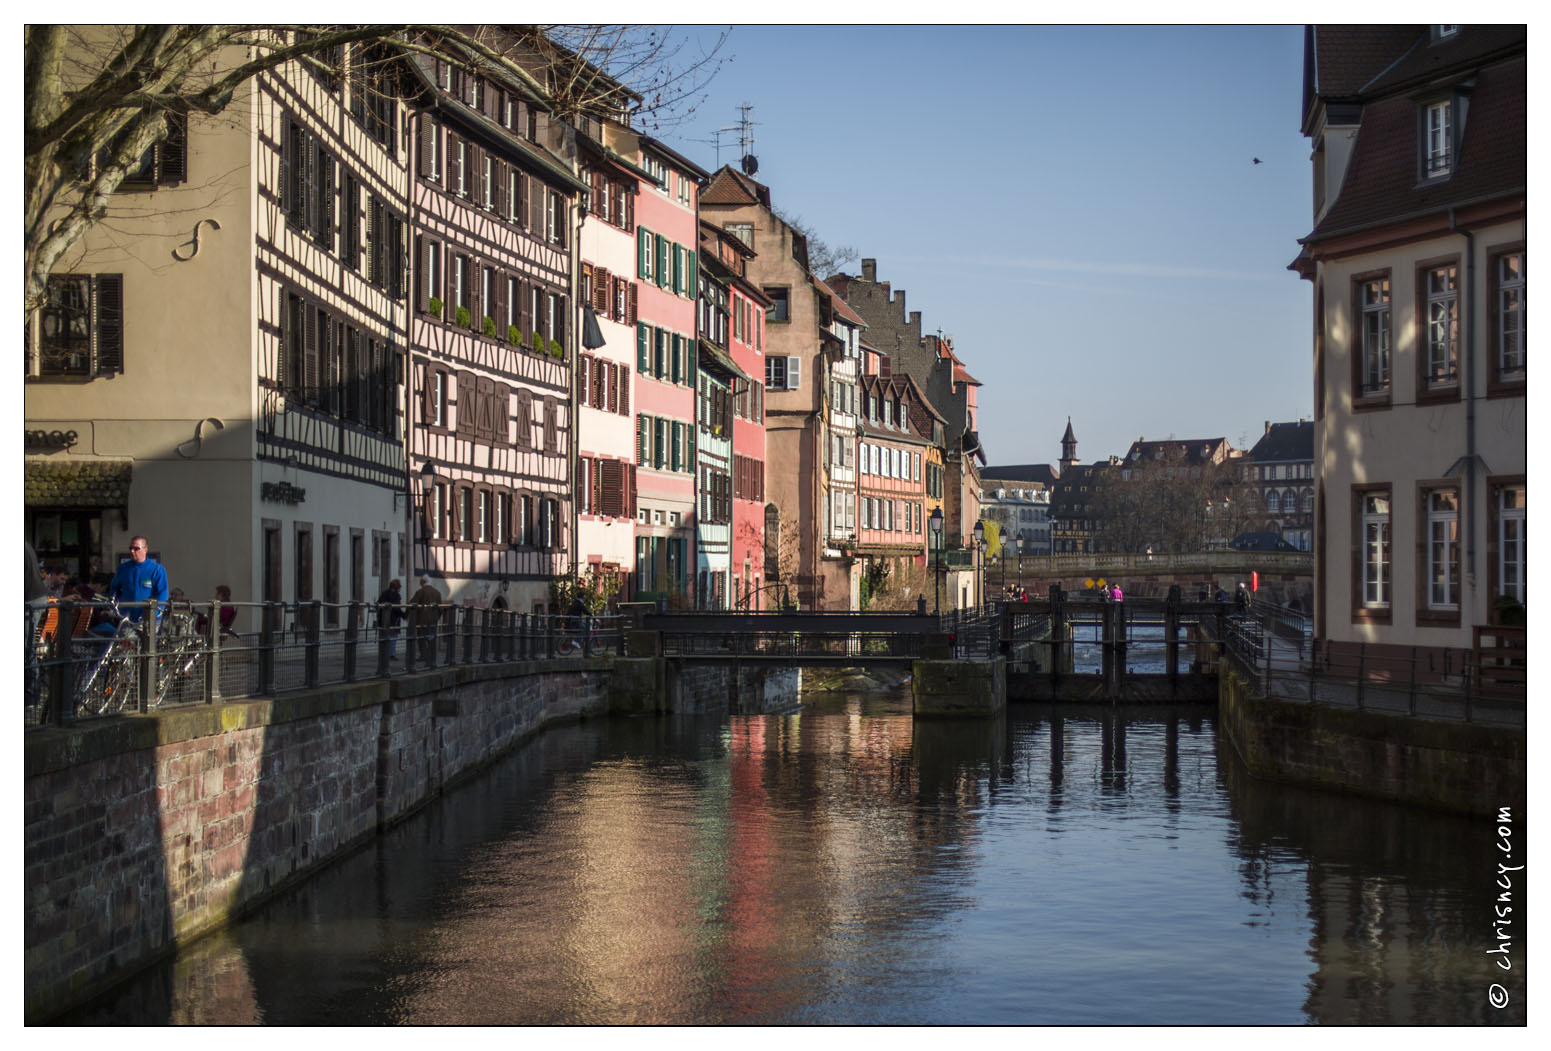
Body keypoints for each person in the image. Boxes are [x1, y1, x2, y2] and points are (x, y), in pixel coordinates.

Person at [103, 535, 169, 631]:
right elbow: (114, 588)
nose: (132, 551)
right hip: (127, 618)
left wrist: (154, 613)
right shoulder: (123, 568)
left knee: (149, 645)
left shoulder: (156, 569)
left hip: (149, 619)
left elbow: (163, 594)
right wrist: (115, 605)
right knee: (126, 645)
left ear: (145, 549)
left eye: (136, 548)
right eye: (130, 548)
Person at [409, 576, 442, 663]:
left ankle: (423, 655)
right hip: (433, 621)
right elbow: (440, 608)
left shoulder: (420, 592)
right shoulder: (437, 593)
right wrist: (436, 618)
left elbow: (412, 603)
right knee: (431, 638)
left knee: (422, 638)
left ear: (423, 582)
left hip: (422, 620)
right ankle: (431, 656)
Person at [377, 579, 404, 660]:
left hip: (383, 619)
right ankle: (391, 654)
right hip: (393, 619)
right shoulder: (396, 596)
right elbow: (397, 608)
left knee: (384, 637)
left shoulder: (384, 593)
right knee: (393, 637)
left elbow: (379, 603)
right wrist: (404, 615)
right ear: (397, 588)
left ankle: (383, 654)